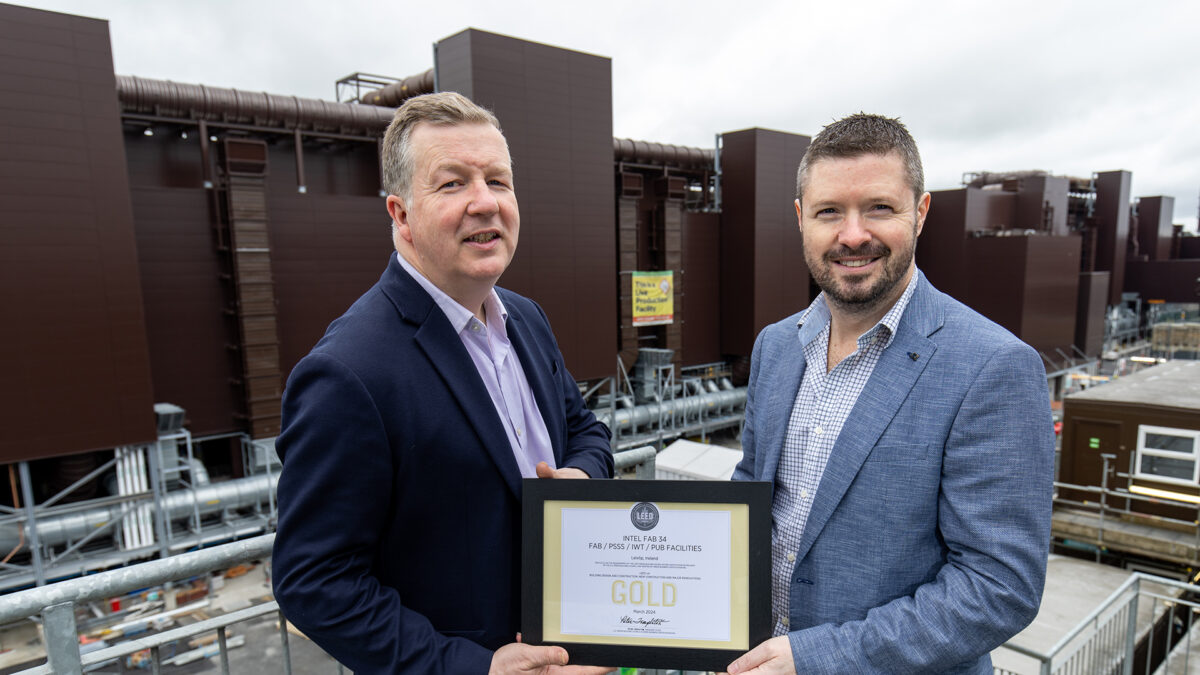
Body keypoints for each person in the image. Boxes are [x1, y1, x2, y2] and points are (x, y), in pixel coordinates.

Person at [271, 92, 614, 674]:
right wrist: (473, 668)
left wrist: (579, 476)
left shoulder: (525, 318)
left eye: (498, 181)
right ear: (400, 215)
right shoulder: (348, 372)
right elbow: (314, 580)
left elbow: (585, 429)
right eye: (452, 183)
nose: (485, 203)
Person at [727, 113, 1053, 674]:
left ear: (920, 213)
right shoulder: (776, 346)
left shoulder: (994, 367)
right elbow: (755, 496)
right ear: (802, 219)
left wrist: (815, 658)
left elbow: (999, 587)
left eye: (879, 207)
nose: (853, 235)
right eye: (830, 211)